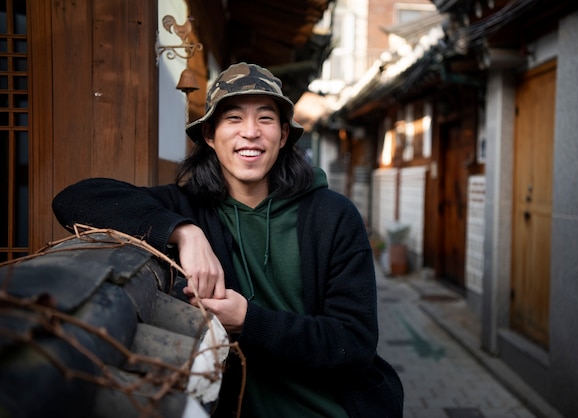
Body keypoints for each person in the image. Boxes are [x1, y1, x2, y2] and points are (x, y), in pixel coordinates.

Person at [52, 62, 404, 417]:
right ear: (209, 135)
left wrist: (250, 321)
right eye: (233, 118)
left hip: (329, 407)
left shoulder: (333, 215)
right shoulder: (186, 205)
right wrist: (184, 232)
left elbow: (354, 343)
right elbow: (75, 199)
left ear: (283, 136)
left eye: (265, 119)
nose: (250, 133)